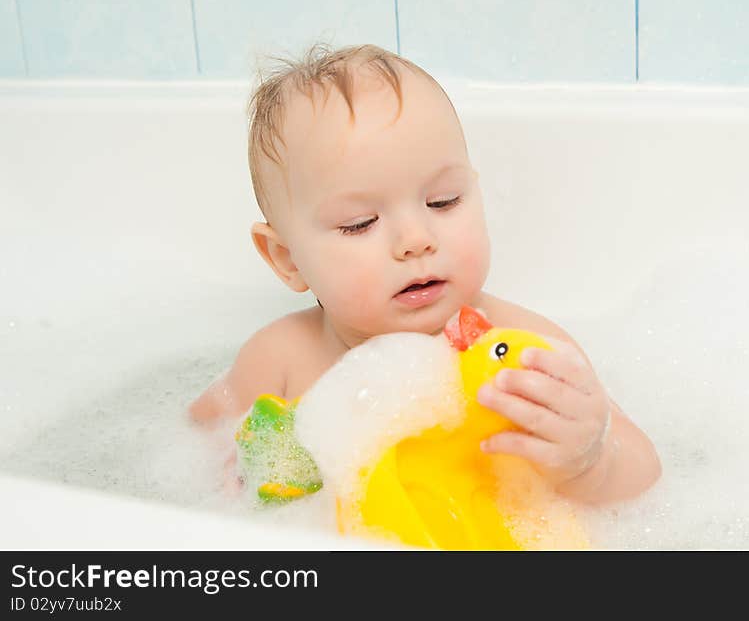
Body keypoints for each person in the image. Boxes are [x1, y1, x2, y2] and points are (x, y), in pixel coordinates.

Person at [189, 43, 660, 505]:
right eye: (360, 224)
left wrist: (588, 463)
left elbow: (644, 470)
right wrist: (228, 474)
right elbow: (192, 444)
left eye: (444, 201)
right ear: (287, 259)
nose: (416, 239)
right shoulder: (280, 361)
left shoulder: (524, 350)